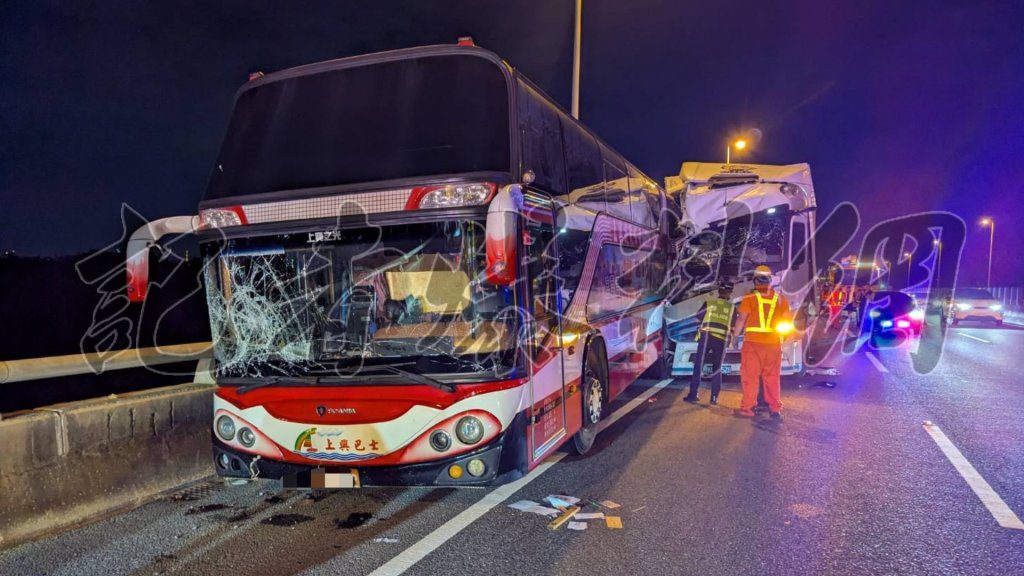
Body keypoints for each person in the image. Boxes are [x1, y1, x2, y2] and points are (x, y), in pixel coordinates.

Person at [731, 266, 792, 419]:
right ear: (770, 280)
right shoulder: (780, 299)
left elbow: (741, 319)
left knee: (750, 377)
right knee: (772, 377)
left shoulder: (750, 298)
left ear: (755, 280)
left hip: (753, 343)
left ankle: (748, 409)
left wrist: (734, 337)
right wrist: (786, 339)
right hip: (773, 343)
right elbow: (788, 321)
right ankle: (775, 408)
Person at [684, 281, 734, 405]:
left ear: (719, 291)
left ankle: (693, 394)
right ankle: (714, 398)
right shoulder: (732, 308)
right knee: (717, 369)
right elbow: (733, 325)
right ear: (730, 293)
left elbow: (698, 317)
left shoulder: (709, 303)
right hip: (721, 340)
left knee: (698, 366)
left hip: (706, 337)